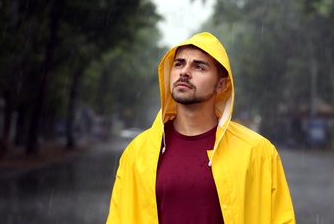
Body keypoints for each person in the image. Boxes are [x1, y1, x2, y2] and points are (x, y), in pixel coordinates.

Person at [106, 32, 295, 223]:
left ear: (221, 85)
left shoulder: (257, 152)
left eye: (198, 67)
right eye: (179, 64)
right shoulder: (138, 153)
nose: (184, 72)